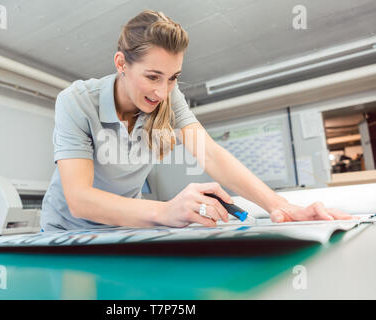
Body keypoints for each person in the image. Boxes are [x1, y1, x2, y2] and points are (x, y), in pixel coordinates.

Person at [40, 10, 354, 232]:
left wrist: (280, 206)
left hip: (124, 226)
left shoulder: (167, 97)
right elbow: (79, 200)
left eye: (172, 78)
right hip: (66, 231)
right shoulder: (77, 101)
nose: (162, 91)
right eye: (152, 77)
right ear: (121, 63)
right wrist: (165, 210)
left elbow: (212, 155)